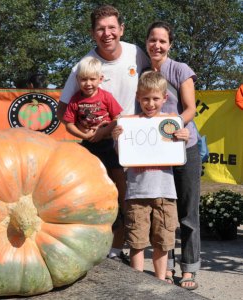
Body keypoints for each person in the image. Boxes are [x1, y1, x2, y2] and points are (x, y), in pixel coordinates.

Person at [57, 4, 150, 261]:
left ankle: (134, 248)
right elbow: (63, 109)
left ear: (121, 29)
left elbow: (154, 84)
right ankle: (110, 248)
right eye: (100, 29)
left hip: (134, 138)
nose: (106, 33)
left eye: (111, 27)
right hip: (98, 143)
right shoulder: (83, 67)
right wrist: (86, 130)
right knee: (100, 196)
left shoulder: (137, 54)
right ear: (92, 33)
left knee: (133, 198)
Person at [112, 71, 189, 281]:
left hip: (165, 192)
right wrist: (118, 139)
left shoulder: (172, 124)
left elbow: (180, 150)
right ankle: (138, 284)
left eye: (155, 98)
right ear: (138, 97)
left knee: (163, 241)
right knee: (136, 241)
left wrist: (184, 135)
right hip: (137, 193)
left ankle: (160, 280)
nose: (150, 103)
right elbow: (123, 156)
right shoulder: (129, 124)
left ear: (165, 98)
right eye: (145, 98)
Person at [146, 21, 201, 289]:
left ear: (170, 45)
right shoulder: (143, 73)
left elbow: (190, 108)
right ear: (146, 43)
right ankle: (165, 266)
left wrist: (177, 127)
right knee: (162, 212)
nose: (157, 45)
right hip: (157, 153)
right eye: (152, 40)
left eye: (162, 41)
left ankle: (189, 268)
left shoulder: (180, 70)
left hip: (185, 148)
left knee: (188, 213)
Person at [63, 56, 124, 197]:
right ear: (77, 80)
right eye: (84, 79)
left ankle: (125, 210)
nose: (88, 83)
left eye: (92, 79)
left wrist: (103, 132)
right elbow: (69, 125)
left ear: (100, 79)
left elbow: (117, 118)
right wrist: (84, 136)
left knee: (119, 176)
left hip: (109, 143)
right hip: (88, 144)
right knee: (91, 177)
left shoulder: (106, 97)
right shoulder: (75, 100)